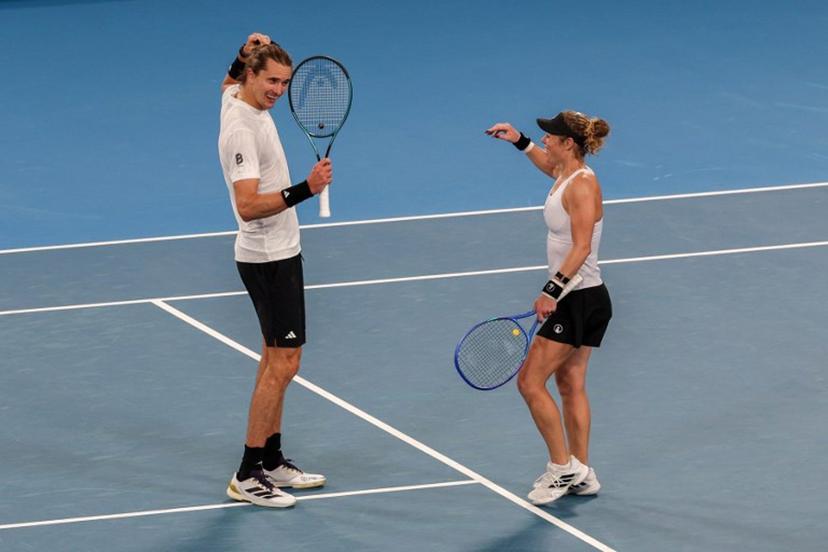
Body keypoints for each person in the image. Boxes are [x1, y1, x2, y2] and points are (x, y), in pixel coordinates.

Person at [218, 33, 333, 508]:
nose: (279, 91)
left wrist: (242, 49)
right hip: (267, 256)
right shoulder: (241, 129)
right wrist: (305, 189)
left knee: (277, 361)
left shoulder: (234, 98)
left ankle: (271, 459)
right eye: (271, 81)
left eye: (285, 83)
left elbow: (224, 81)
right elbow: (247, 205)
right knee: (283, 363)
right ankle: (248, 474)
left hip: (279, 252)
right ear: (252, 76)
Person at [486, 111, 612, 506]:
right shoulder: (567, 175)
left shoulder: (583, 187)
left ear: (568, 143)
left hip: (575, 300)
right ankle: (582, 471)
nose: (545, 141)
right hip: (587, 298)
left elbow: (581, 247)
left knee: (529, 382)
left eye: (549, 137)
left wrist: (550, 291)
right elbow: (547, 167)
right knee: (571, 385)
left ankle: (560, 470)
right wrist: (518, 140)